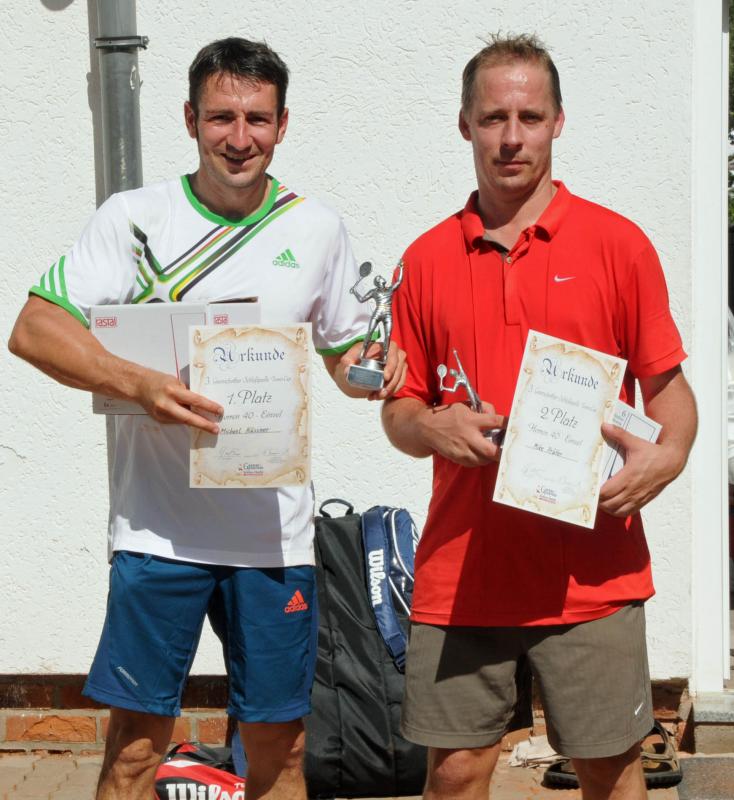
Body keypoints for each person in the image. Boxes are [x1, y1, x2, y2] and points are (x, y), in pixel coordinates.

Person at [9, 37, 406, 800]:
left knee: (282, 750)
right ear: (190, 119)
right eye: (221, 117)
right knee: (135, 750)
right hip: (159, 534)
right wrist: (141, 384)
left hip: (273, 537)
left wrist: (374, 369)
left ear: (282, 125)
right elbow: (34, 329)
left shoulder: (316, 228)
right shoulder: (135, 220)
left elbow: (344, 353)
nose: (239, 137)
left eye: (257, 119)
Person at [382, 33, 696, 800]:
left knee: (610, 773)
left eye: (529, 116)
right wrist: (430, 427)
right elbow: (399, 409)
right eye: (494, 118)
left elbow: (670, 393)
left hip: (593, 576)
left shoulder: (619, 246)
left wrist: (668, 457)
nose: (511, 137)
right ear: (465, 124)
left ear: (558, 121)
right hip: (464, 574)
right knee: (454, 775)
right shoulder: (424, 261)